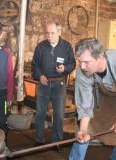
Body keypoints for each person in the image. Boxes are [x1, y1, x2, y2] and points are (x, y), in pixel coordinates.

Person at [69, 38, 116, 160]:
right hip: (98, 105)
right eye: (79, 61)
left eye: (86, 62)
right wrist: (83, 130)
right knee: (81, 136)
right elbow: (85, 104)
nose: (82, 66)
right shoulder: (82, 71)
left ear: (99, 58)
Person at [31, 22, 76, 152]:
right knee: (40, 113)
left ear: (59, 32)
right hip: (44, 84)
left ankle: (56, 141)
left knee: (58, 114)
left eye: (52, 33)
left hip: (59, 84)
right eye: (47, 33)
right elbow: (35, 65)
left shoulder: (66, 46)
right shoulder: (41, 46)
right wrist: (39, 76)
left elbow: (72, 63)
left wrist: (65, 68)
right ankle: (39, 140)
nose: (49, 36)